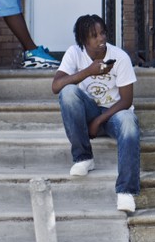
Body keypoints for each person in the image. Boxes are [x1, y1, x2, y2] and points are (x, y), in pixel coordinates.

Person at [51, 14, 141, 213]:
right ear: (84, 40)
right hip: (89, 110)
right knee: (68, 92)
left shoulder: (120, 57)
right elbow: (56, 86)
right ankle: (83, 157)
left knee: (129, 121)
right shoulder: (74, 53)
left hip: (114, 114)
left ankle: (126, 190)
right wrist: (88, 71)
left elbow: (127, 101)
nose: (101, 39)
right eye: (94, 35)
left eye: (102, 33)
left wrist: (99, 120)